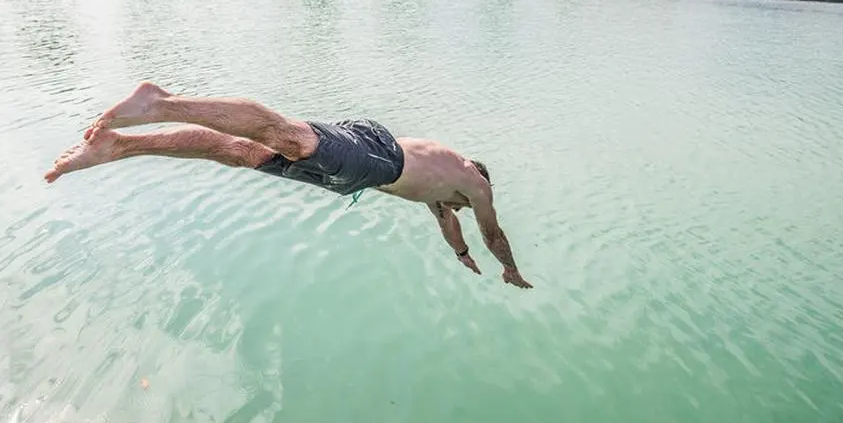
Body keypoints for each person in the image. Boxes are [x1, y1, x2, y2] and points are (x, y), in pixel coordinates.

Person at [45, 83, 532, 289]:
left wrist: (460, 254)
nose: (461, 209)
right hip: (377, 158)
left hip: (359, 174)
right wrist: (508, 268)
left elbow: (449, 223)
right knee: (294, 139)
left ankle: (119, 148)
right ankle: (160, 103)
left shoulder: (442, 194)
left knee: (241, 153)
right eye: (466, 206)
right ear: (477, 180)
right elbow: (494, 232)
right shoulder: (472, 181)